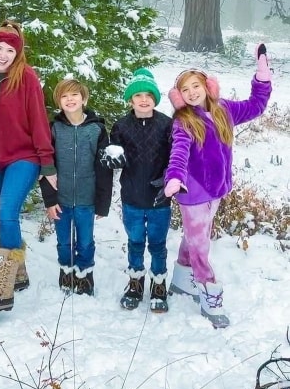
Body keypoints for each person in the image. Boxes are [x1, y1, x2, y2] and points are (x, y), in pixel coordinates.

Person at [163, 44, 272, 328]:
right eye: (185, 90)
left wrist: (262, 76)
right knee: (201, 246)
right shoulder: (183, 121)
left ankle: (180, 280)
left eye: (195, 86)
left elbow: (255, 106)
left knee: (193, 237)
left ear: (207, 86)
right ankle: (209, 294)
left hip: (216, 191)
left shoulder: (223, 110)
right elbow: (179, 151)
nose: (191, 93)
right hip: (193, 193)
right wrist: (174, 177)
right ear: (179, 97)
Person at [0, 20, 55, 312]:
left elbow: (38, 121)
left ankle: (3, 288)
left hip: (24, 157)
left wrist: (47, 163)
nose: (3, 54)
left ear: (17, 53)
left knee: (7, 211)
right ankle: (19, 273)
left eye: (10, 49)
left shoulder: (27, 77)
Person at [100, 69, 173, 312]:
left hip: (159, 199)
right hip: (131, 197)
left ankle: (159, 285)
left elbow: (176, 157)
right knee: (135, 241)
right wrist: (112, 158)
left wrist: (167, 179)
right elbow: (114, 152)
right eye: (138, 95)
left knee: (158, 244)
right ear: (130, 100)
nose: (143, 100)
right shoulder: (121, 126)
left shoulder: (166, 125)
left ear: (155, 99)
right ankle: (135, 282)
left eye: (148, 95)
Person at [40, 78, 113, 297]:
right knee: (63, 242)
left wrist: (102, 204)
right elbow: (45, 166)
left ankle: (85, 274)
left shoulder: (97, 129)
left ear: (84, 98)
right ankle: (66, 271)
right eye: (64, 96)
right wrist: (49, 200)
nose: (70, 99)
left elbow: (104, 169)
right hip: (60, 200)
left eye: (74, 95)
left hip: (87, 199)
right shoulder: (53, 129)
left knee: (85, 241)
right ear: (59, 102)